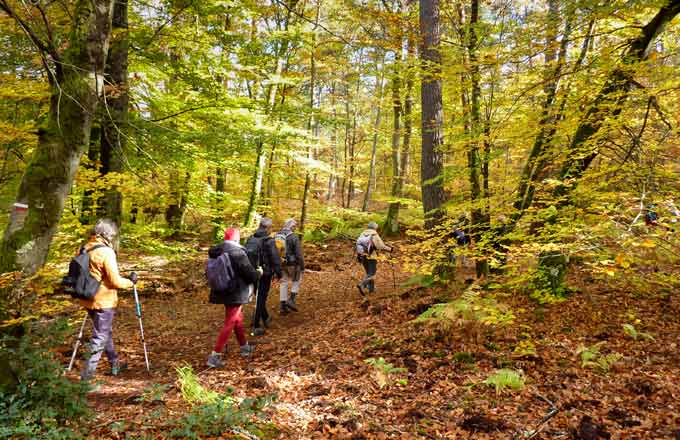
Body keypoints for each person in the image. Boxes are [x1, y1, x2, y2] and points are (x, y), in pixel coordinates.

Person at [80, 219, 135, 381]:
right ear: (108, 235)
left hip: (87, 298)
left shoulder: (85, 247)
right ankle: (86, 379)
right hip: (103, 301)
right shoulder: (105, 252)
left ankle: (115, 364)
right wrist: (131, 282)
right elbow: (115, 281)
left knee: (104, 332)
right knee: (100, 337)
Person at [206, 227, 260, 368]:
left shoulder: (216, 251)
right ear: (236, 238)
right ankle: (214, 356)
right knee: (230, 321)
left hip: (222, 288)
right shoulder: (237, 252)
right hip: (236, 291)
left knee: (237, 319)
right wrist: (258, 273)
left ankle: (244, 347)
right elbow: (250, 274)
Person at [246, 218, 282, 336]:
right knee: (261, 297)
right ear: (267, 227)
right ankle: (256, 325)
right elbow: (275, 258)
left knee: (259, 296)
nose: (271, 230)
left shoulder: (251, 238)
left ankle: (265, 317)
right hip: (265, 273)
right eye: (271, 228)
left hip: (253, 272)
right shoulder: (269, 240)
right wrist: (279, 273)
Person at [356, 222, 392, 295]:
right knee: (372, 273)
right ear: (375, 228)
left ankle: (371, 289)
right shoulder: (374, 234)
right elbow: (381, 246)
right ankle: (362, 284)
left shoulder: (362, 234)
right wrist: (390, 249)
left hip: (363, 256)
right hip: (371, 256)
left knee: (369, 273)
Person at [277, 218, 304, 314]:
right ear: (291, 226)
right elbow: (298, 253)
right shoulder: (293, 237)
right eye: (294, 226)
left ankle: (282, 307)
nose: (295, 228)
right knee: (297, 280)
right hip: (293, 264)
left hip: (281, 263)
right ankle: (291, 300)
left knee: (283, 283)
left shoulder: (277, 235)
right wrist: (302, 265)